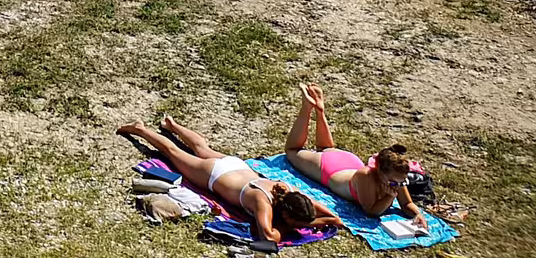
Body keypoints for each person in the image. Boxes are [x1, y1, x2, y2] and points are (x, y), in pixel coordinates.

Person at [118, 117, 341, 244]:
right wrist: (311, 224)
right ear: (286, 214)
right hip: (214, 174)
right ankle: (140, 129)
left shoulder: (290, 191)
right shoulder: (262, 203)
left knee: (201, 147)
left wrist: (313, 220)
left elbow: (335, 219)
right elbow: (270, 237)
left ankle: (172, 125)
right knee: (172, 152)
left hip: (237, 166)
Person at [285, 83, 428, 233]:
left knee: (326, 149)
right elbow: (371, 211)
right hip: (329, 168)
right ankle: (306, 108)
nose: (398, 185)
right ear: (380, 172)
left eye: (401, 182)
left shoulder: (396, 175)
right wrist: (388, 197)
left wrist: (418, 214)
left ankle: (320, 110)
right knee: (292, 151)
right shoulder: (365, 177)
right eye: (394, 182)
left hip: (347, 161)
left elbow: (407, 204)